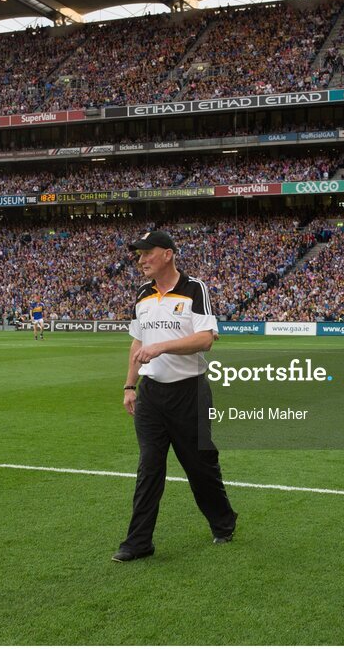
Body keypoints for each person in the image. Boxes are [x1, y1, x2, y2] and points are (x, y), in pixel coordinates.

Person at [113, 230, 237, 563]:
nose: (141, 261)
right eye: (138, 256)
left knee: (200, 466)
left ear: (167, 254)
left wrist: (162, 346)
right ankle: (139, 541)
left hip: (189, 393)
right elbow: (137, 344)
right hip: (151, 395)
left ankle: (223, 522)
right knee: (149, 466)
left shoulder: (195, 289)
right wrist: (129, 385)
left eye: (146, 254)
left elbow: (206, 339)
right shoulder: (141, 294)